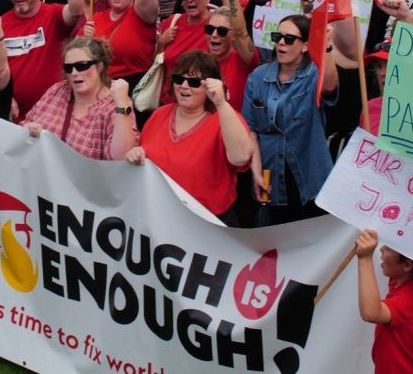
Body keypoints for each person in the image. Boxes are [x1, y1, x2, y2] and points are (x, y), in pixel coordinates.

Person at [126, 51, 253, 224]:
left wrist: (221, 103)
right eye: (179, 79)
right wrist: (137, 153)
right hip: (158, 218)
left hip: (205, 225)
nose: (184, 86)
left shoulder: (226, 119)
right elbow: (145, 153)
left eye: (194, 82)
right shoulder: (160, 114)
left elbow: (241, 158)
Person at [242, 14, 338, 225]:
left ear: (305, 46)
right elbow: (251, 130)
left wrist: (327, 47)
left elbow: (330, 87)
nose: (281, 43)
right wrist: (256, 172)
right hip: (271, 178)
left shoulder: (314, 74)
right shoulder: (257, 77)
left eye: (289, 39)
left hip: (310, 180)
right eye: (277, 37)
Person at [24, 37, 138, 161]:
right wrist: (29, 129)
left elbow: (121, 159)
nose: (74, 72)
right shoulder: (57, 91)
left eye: (81, 66)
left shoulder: (115, 104)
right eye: (68, 67)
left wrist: (121, 105)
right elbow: (25, 124)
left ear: (99, 66)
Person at [1, 0, 85, 120]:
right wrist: (4, 97)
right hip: (13, 116)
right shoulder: (1, 23)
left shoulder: (53, 14)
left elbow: (75, 10)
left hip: (53, 114)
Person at [81, 0, 158, 93]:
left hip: (134, 87)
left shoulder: (140, 13)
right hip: (101, 85)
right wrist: (85, 40)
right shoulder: (95, 18)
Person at [355, 229, 413, 374]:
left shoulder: (411, 299)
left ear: (407, 265)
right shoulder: (400, 282)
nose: (381, 249)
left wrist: (365, 258)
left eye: (388, 248)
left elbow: (371, 313)